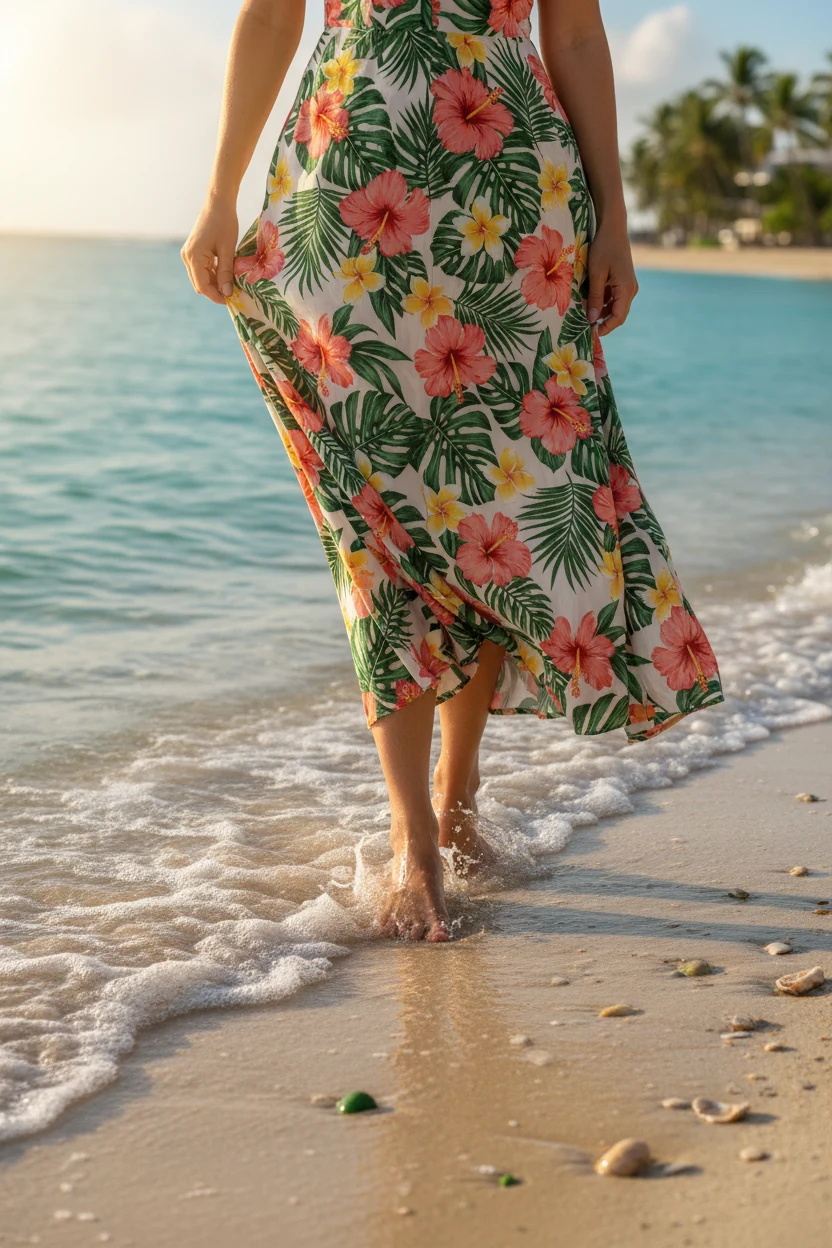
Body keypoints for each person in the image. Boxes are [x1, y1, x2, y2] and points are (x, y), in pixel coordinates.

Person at [182, 0, 723, 943]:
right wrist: (219, 193)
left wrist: (616, 222)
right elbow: (271, 12)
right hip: (343, 203)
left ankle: (458, 790)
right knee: (372, 511)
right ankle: (414, 834)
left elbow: (582, 34)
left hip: (515, 205)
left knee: (497, 503)